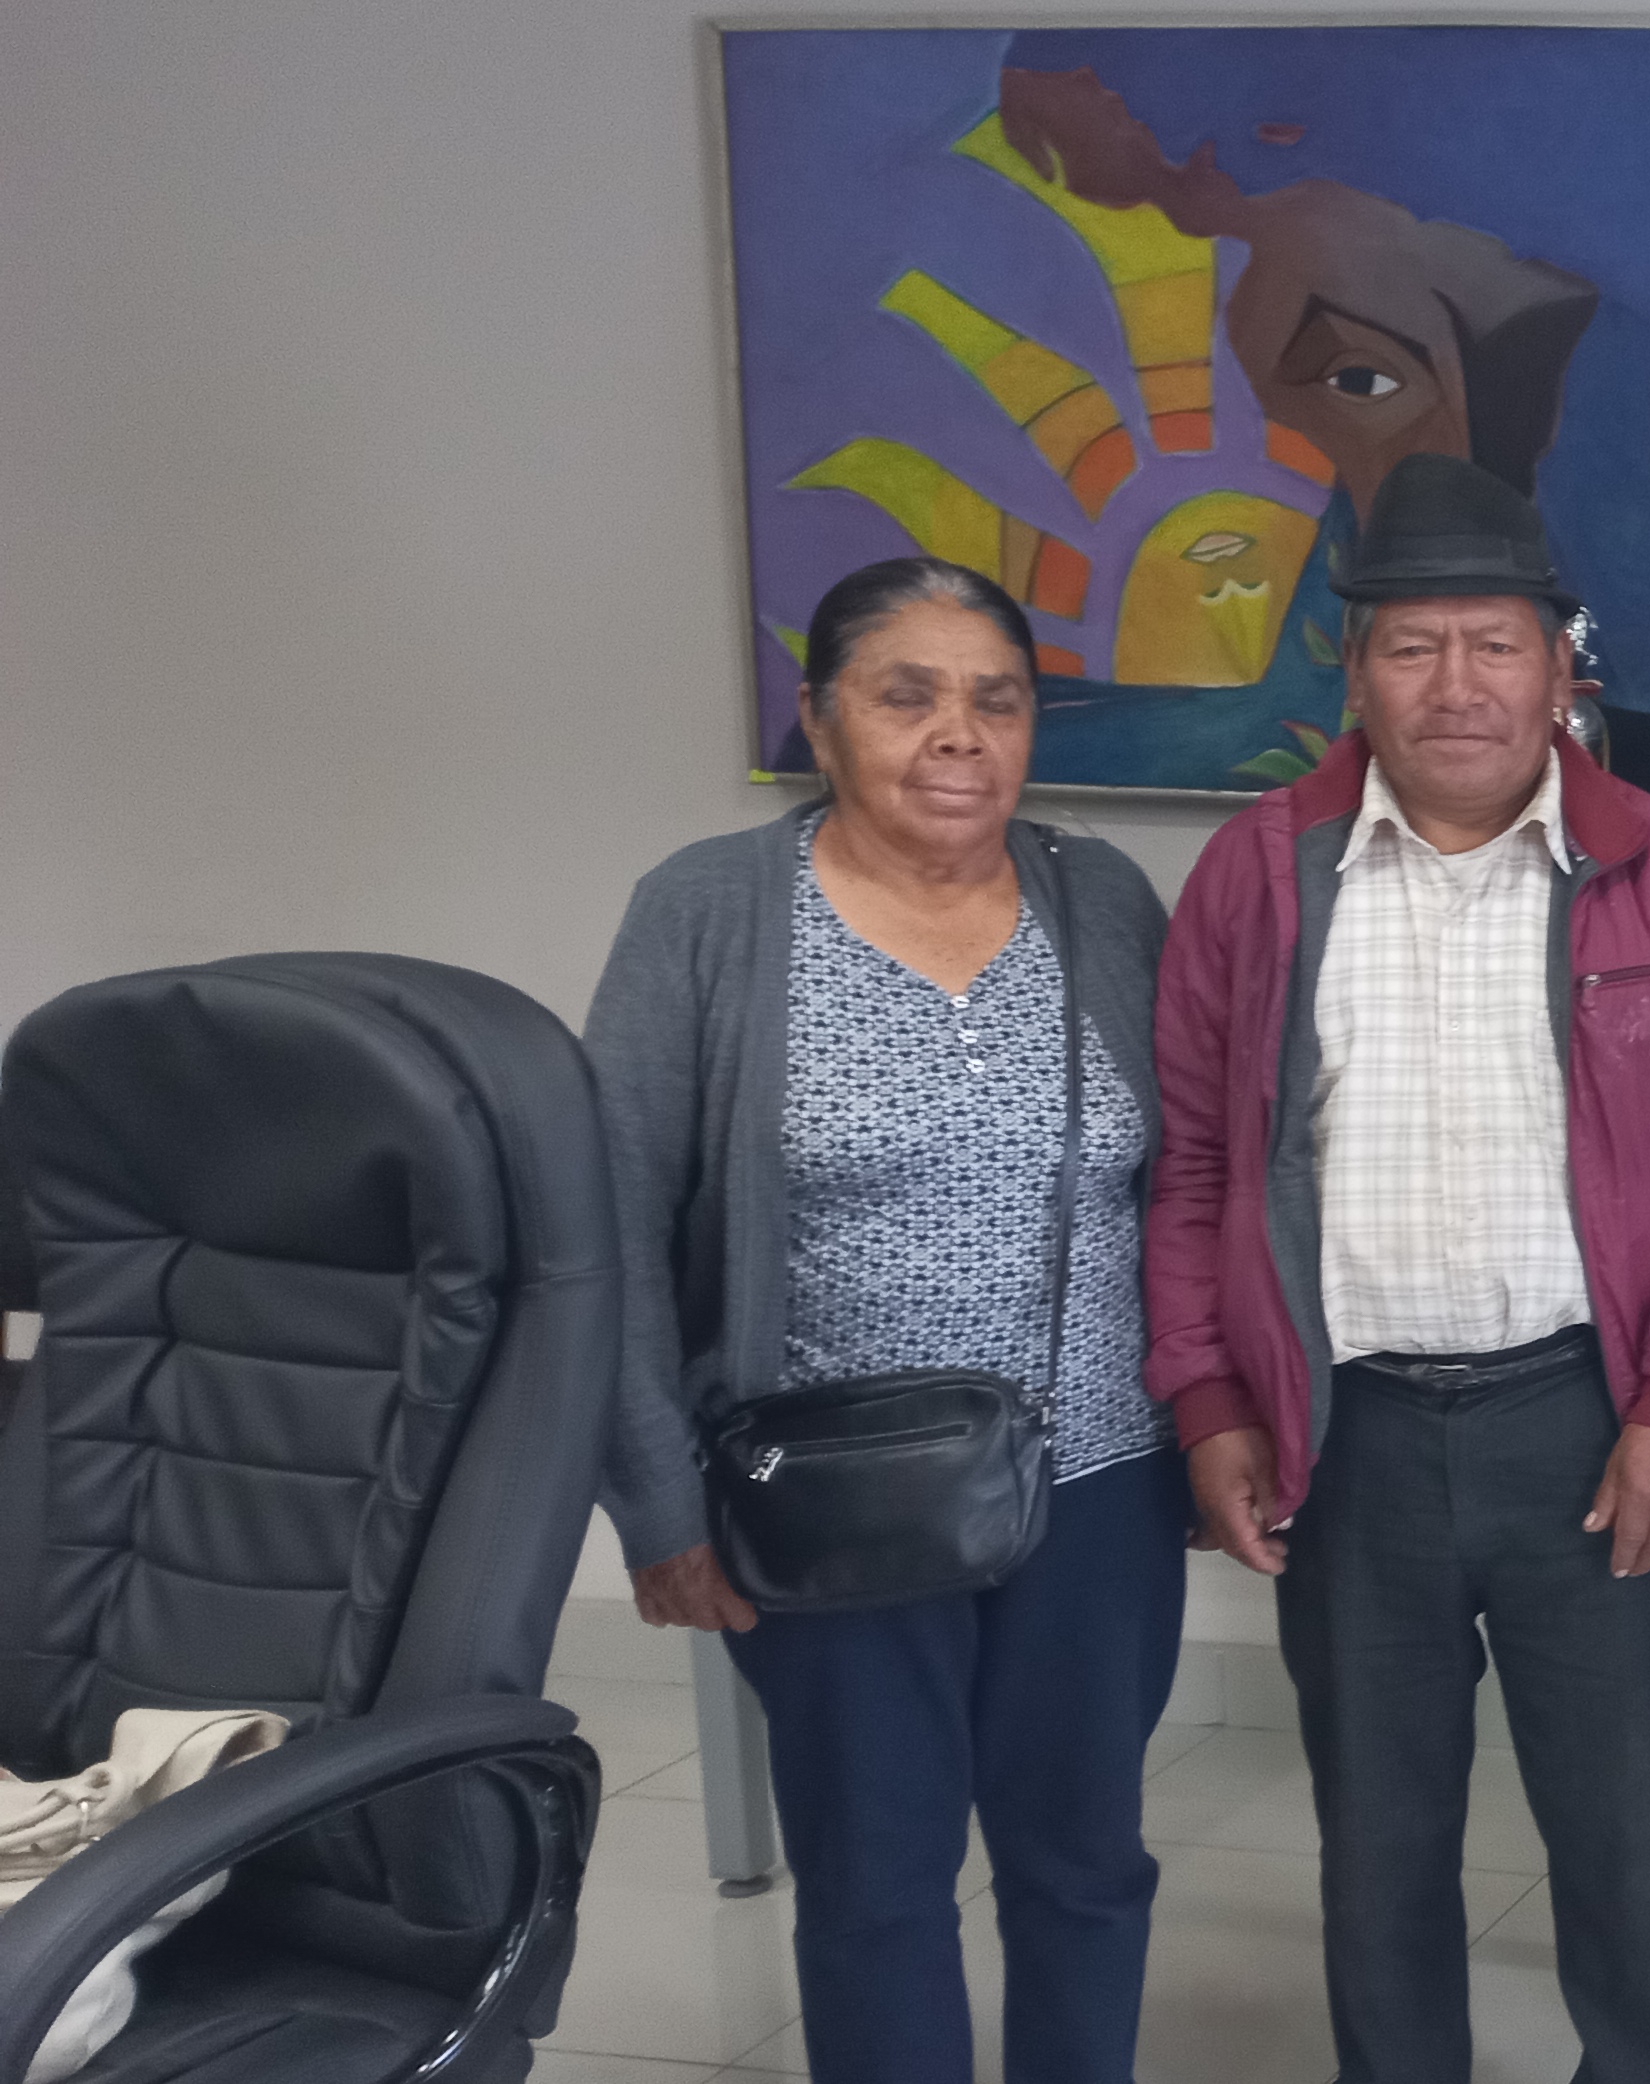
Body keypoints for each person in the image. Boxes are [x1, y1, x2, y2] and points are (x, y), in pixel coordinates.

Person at [1143, 453, 1650, 2084]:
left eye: (1495, 644)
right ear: (1355, 670)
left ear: (1560, 667)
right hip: (1349, 1439)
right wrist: (1208, 1397)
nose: (1457, 685)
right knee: (1379, 1857)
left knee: (1631, 1853)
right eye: (1414, 646)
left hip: (1592, 1430)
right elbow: (1197, 1162)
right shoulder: (1257, 877)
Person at [592, 556, 1189, 2084]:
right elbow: (604, 1233)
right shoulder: (710, 912)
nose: (958, 735)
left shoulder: (1101, 898)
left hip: (1095, 1483)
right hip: (829, 1499)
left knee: (1087, 1866)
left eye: (998, 700)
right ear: (818, 719)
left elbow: (1188, 1181)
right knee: (875, 1890)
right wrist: (657, 1503)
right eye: (906, 696)